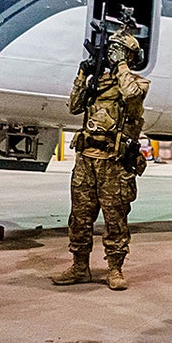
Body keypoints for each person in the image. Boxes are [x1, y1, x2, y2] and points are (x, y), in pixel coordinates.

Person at [52, 26, 149, 290]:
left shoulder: (136, 84)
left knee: (115, 218)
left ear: (130, 56)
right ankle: (79, 266)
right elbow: (74, 107)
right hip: (87, 160)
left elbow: (131, 95)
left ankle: (115, 269)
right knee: (79, 218)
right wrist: (83, 73)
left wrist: (119, 65)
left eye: (119, 52)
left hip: (114, 163)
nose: (112, 56)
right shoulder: (97, 83)